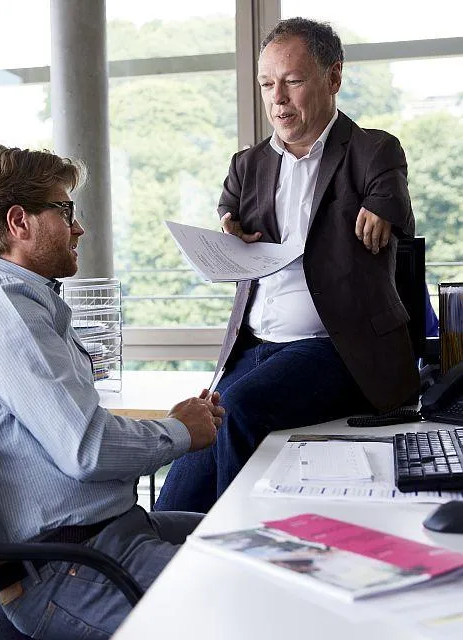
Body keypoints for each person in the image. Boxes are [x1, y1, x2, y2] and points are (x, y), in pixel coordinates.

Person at [0, 144, 224, 639]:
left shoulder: (25, 304)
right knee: (256, 596)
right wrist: (179, 432)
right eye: (65, 211)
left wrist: (174, 425)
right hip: (72, 565)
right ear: (19, 222)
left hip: (109, 535)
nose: (79, 227)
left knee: (263, 543)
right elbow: (87, 449)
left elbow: (80, 430)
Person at [155, 17, 419, 514]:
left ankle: (236, 543)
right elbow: (228, 206)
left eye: (293, 82)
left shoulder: (372, 150)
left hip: (335, 346)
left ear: (333, 78)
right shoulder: (248, 163)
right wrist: (228, 226)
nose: (278, 98)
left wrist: (383, 207)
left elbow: (393, 195)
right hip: (255, 345)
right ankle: (160, 556)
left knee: (237, 412)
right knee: (194, 443)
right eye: (267, 84)